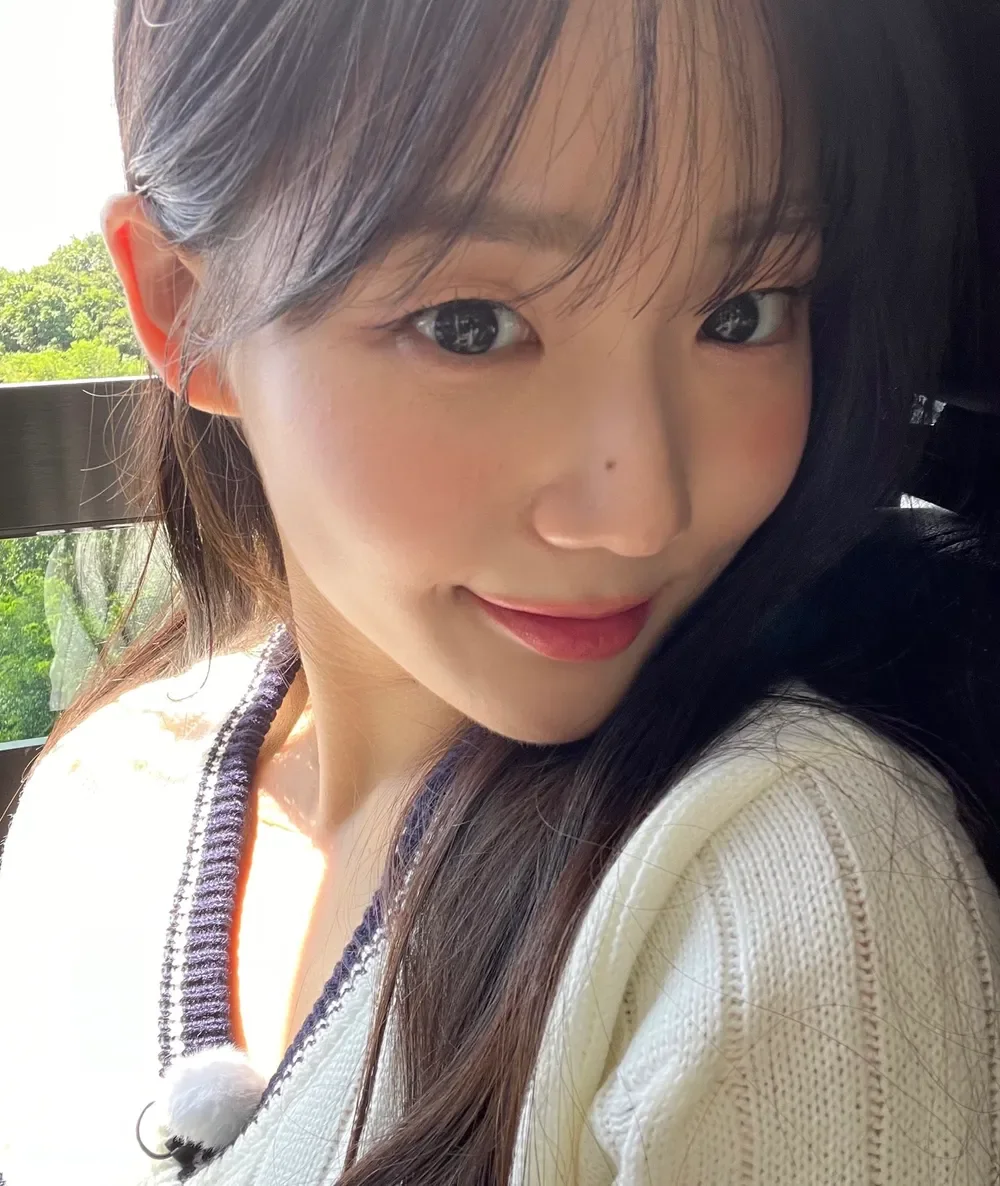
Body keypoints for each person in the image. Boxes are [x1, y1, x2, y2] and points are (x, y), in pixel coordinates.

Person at [1, 0, 999, 1182]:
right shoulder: (100, 794)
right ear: (186, 310)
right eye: (469, 325)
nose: (639, 513)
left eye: (742, 314)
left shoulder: (783, 898)